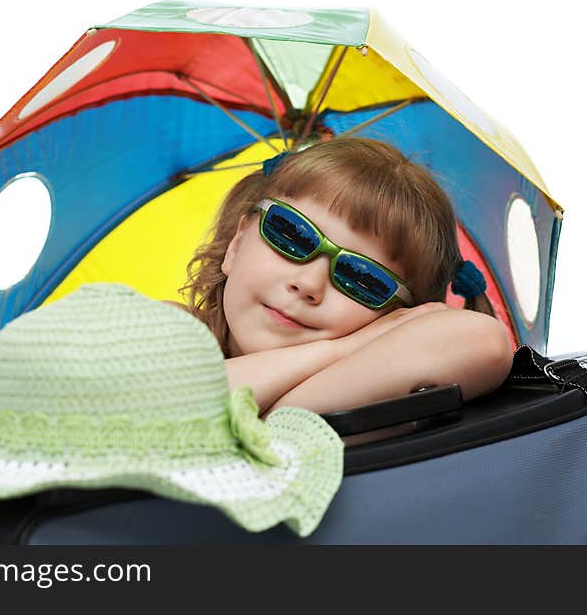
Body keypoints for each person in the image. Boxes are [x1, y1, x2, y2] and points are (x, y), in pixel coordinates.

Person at [171, 137, 513, 420]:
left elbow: (486, 342)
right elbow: (157, 405)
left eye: (361, 277)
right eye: (290, 233)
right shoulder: (170, 330)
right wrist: (339, 349)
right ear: (237, 243)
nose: (308, 284)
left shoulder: (379, 384)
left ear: (400, 319)